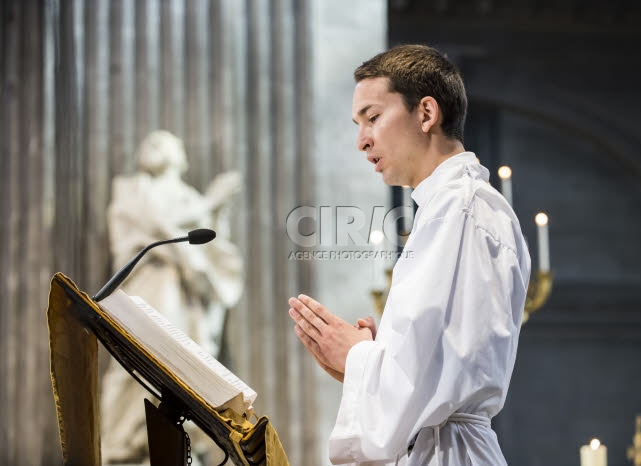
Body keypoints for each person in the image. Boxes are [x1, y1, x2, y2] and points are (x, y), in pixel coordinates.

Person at [288, 45, 531, 465]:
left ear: (425, 113)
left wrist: (358, 356)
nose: (362, 140)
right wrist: (376, 359)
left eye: (373, 117)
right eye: (358, 123)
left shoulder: (464, 208)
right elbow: (442, 360)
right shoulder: (446, 208)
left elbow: (438, 380)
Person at [101, 130, 244, 464]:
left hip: (182, 299)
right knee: (134, 364)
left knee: (180, 368)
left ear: (180, 157)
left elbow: (212, 249)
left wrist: (215, 213)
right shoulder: (131, 189)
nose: (150, 146)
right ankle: (122, 445)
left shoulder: (187, 198)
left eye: (161, 142)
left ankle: (176, 443)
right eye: (146, 142)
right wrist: (209, 203)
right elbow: (153, 226)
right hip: (145, 288)